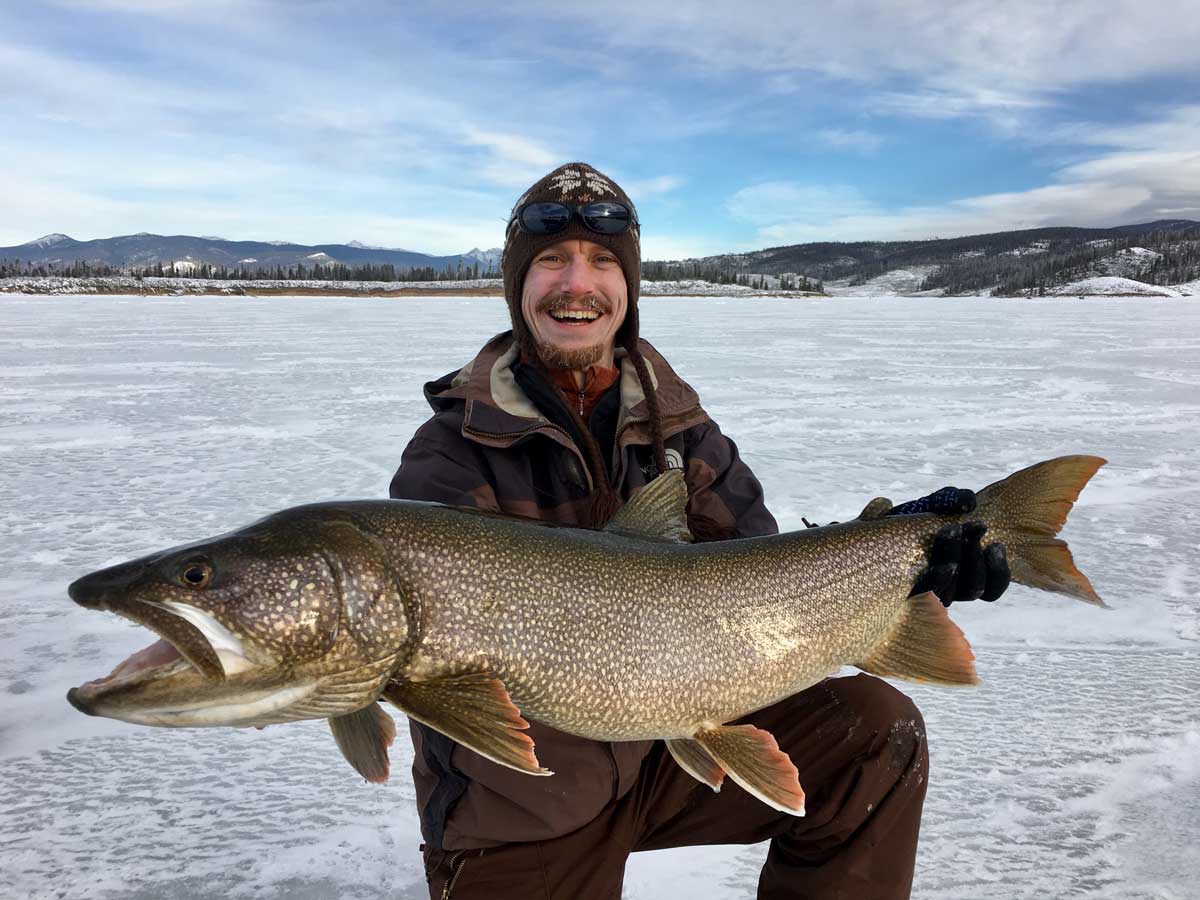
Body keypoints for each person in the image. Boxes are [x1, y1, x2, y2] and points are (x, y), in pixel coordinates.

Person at [389, 162, 1009, 899]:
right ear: (519, 286)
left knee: (877, 732)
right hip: (531, 797)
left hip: (674, 739)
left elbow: (759, 574)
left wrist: (896, 552)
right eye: (551, 260)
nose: (575, 283)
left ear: (629, 287)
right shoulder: (451, 453)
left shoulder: (681, 429)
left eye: (601, 262)